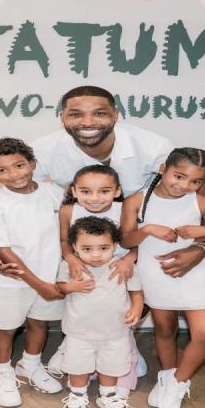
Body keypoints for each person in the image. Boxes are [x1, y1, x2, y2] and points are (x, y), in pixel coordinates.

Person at [0, 85, 205, 293]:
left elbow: (202, 193)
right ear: (62, 118)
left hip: (144, 237)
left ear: (116, 115)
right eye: (75, 114)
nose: (88, 122)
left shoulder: (153, 146)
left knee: (144, 301)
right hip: (83, 243)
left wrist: (201, 246)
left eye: (99, 113)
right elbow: (16, 197)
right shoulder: (43, 149)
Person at [120, 147, 205, 408]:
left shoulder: (201, 201)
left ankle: (177, 384)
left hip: (196, 275)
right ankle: (166, 376)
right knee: (164, 328)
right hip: (156, 272)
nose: (184, 186)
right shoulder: (136, 201)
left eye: (195, 181)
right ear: (163, 169)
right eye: (179, 176)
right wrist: (148, 229)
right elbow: (125, 239)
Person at [0, 137, 65, 408]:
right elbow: (3, 250)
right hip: (13, 279)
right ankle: (2, 372)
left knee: (39, 322)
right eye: (2, 170)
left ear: (32, 164)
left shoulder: (54, 193)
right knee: (6, 328)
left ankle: (30, 365)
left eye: (19, 165)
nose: (14, 174)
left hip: (50, 275)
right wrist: (39, 284)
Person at [49, 164, 141, 396]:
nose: (95, 198)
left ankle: (123, 361)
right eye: (86, 191)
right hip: (81, 263)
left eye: (104, 191)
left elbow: (135, 240)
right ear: (74, 190)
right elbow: (64, 240)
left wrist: (129, 259)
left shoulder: (125, 208)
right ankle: (73, 351)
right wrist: (71, 259)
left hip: (117, 269)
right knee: (83, 310)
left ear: (117, 191)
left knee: (117, 317)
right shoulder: (68, 210)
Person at [56, 216, 144, 408]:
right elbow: (59, 288)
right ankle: (77, 395)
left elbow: (136, 292)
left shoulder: (124, 267)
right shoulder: (70, 266)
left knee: (111, 365)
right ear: (75, 247)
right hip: (79, 331)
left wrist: (137, 308)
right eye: (87, 249)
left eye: (104, 248)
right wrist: (71, 286)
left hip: (115, 331)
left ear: (115, 246)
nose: (96, 255)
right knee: (78, 365)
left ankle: (108, 396)